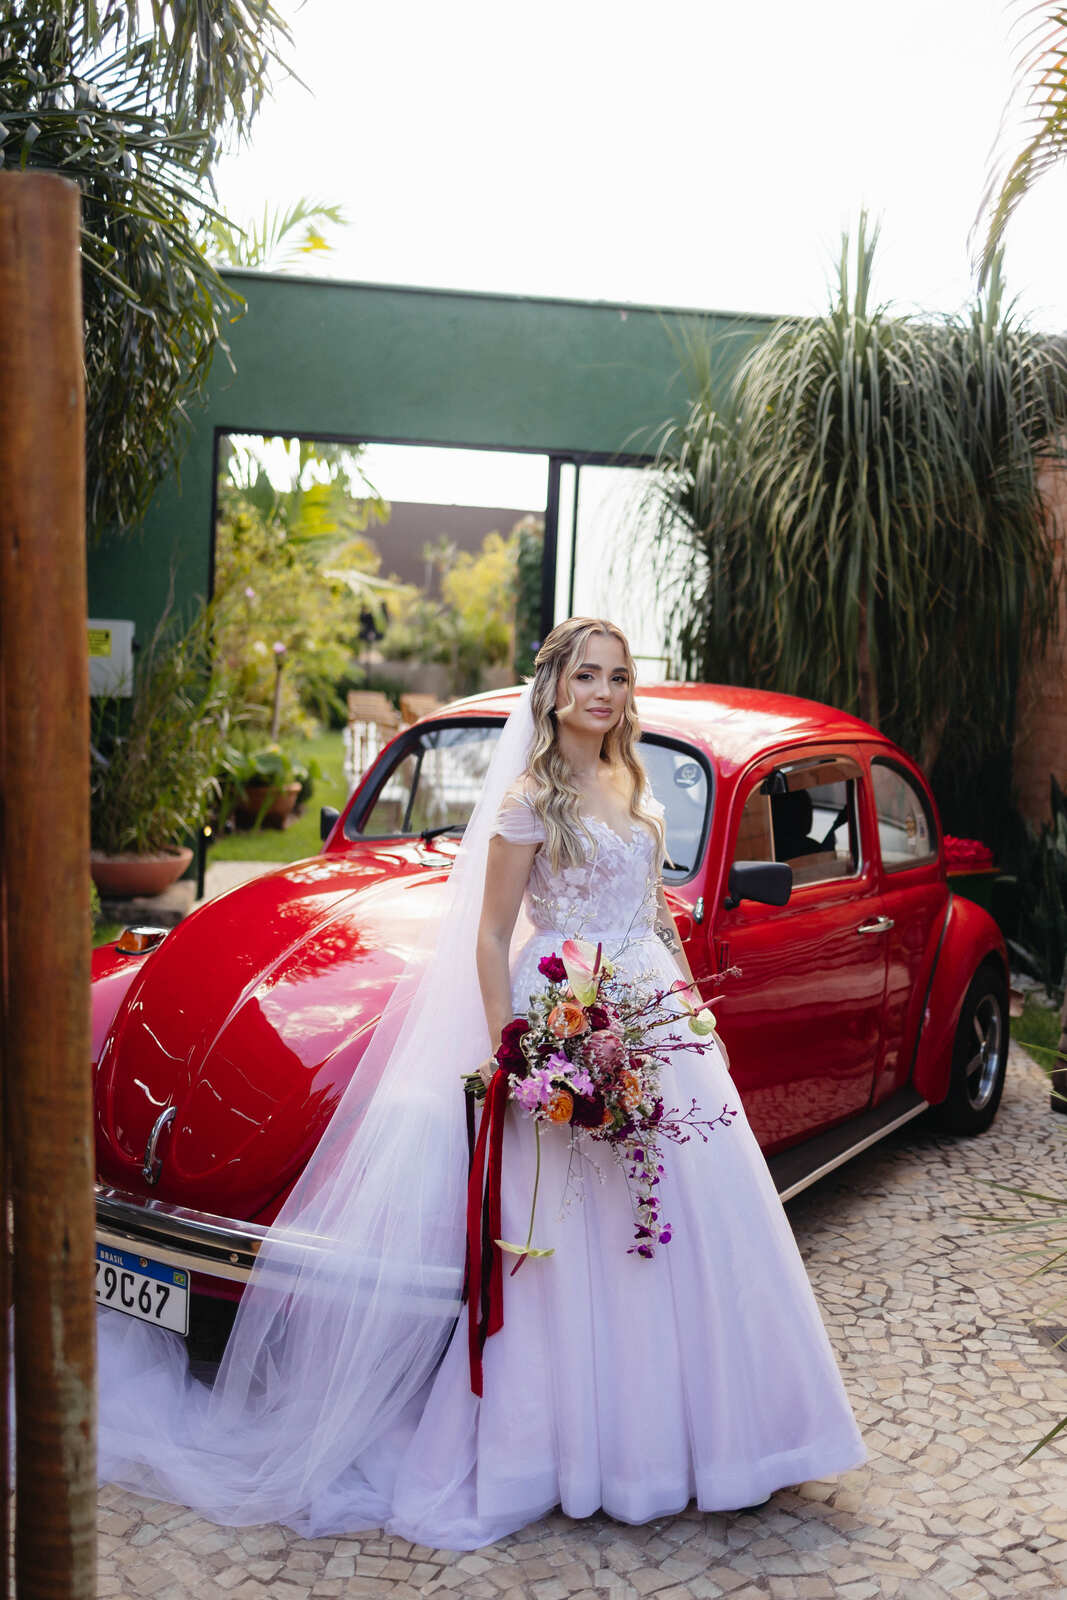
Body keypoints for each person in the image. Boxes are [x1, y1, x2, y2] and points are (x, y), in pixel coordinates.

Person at [97, 617, 866, 1551]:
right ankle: (572, 1449)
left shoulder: (634, 780)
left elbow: (653, 912)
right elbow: (492, 931)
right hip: (562, 1015)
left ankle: (713, 1437)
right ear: (552, 690)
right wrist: (525, 1048)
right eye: (586, 676)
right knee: (567, 1237)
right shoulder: (528, 798)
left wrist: (691, 1016)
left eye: (618, 678)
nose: (604, 693)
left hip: (653, 1016)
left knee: (684, 1226)